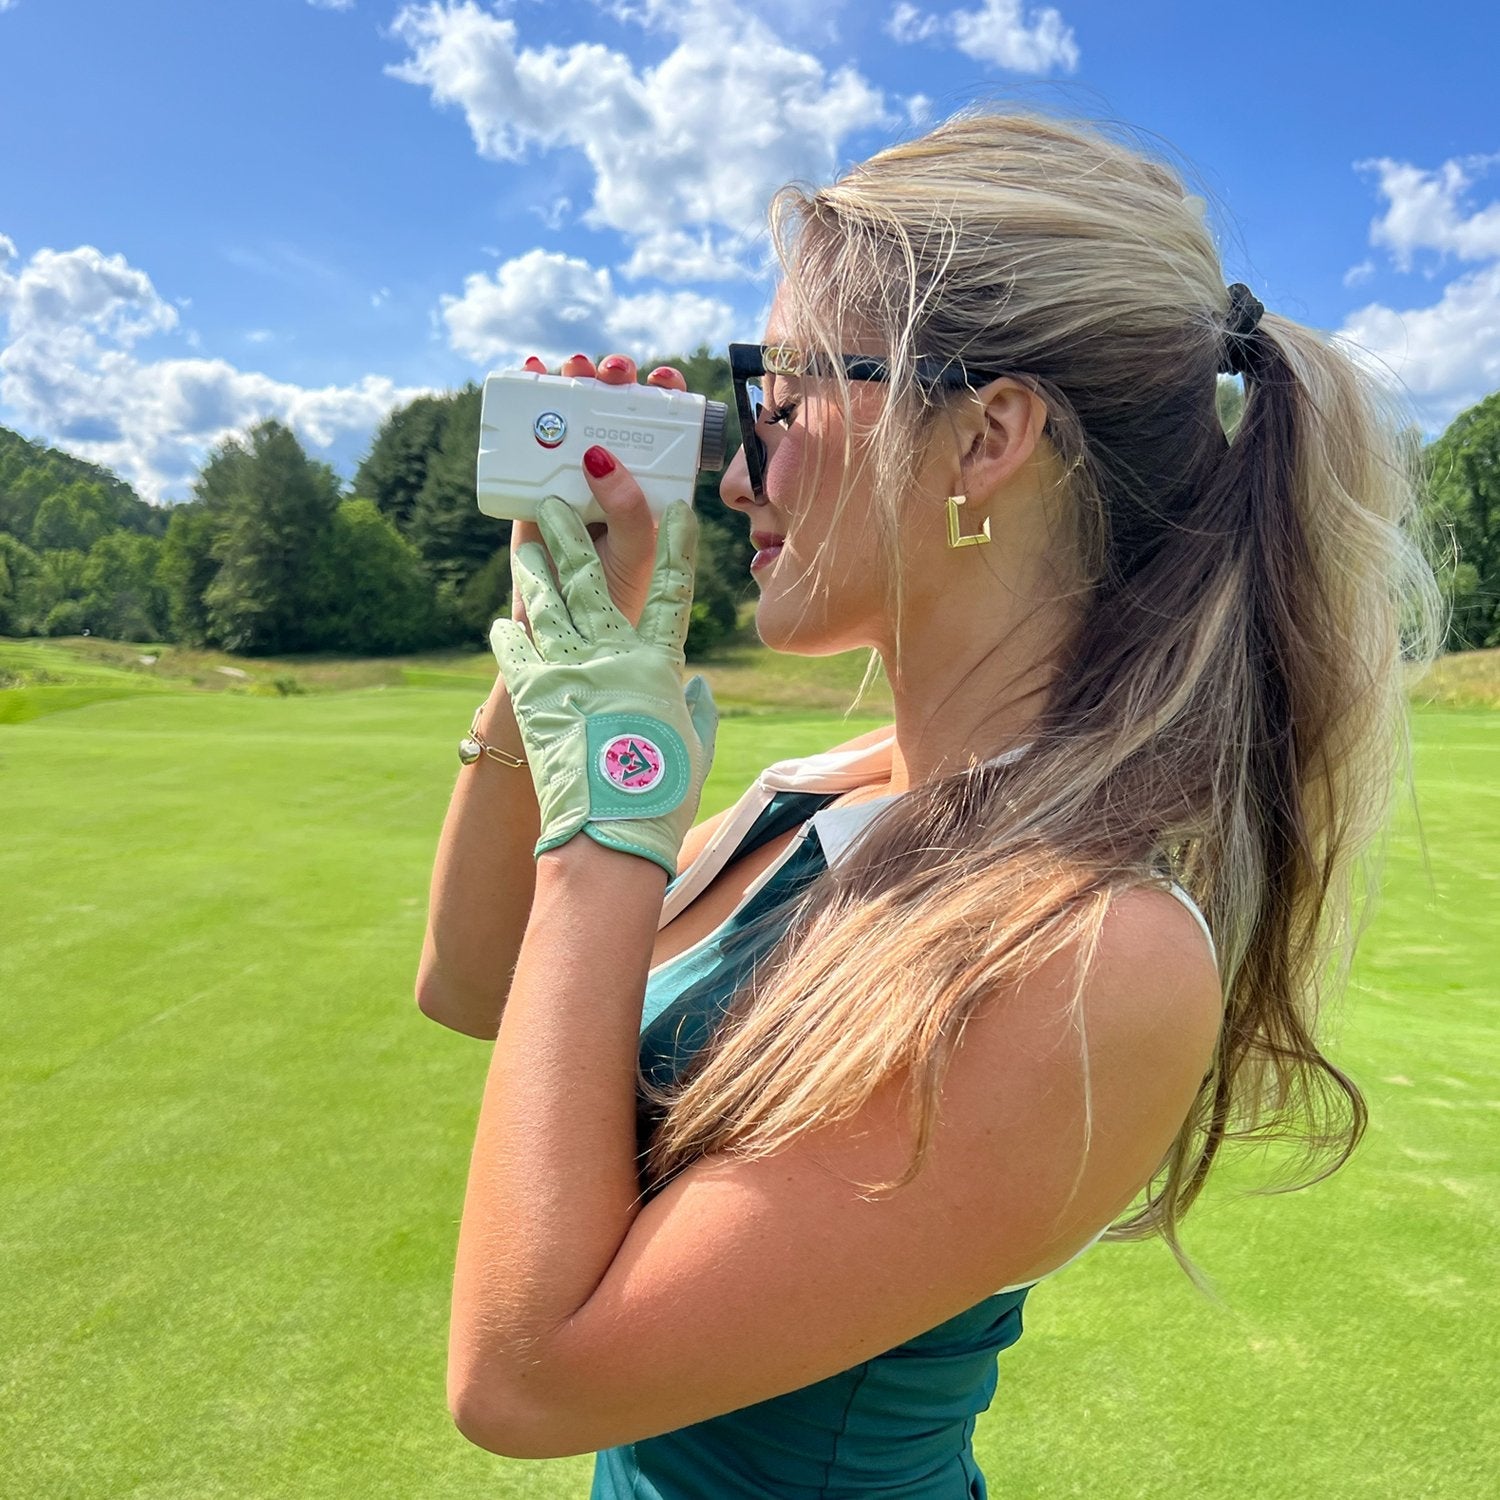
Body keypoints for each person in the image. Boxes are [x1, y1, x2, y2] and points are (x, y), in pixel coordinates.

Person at [416, 108, 1442, 1497]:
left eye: (779, 395)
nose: (736, 471)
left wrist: (618, 809)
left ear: (985, 437)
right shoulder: (819, 791)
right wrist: (554, 651)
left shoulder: (1091, 947)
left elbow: (528, 1376)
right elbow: (483, 983)